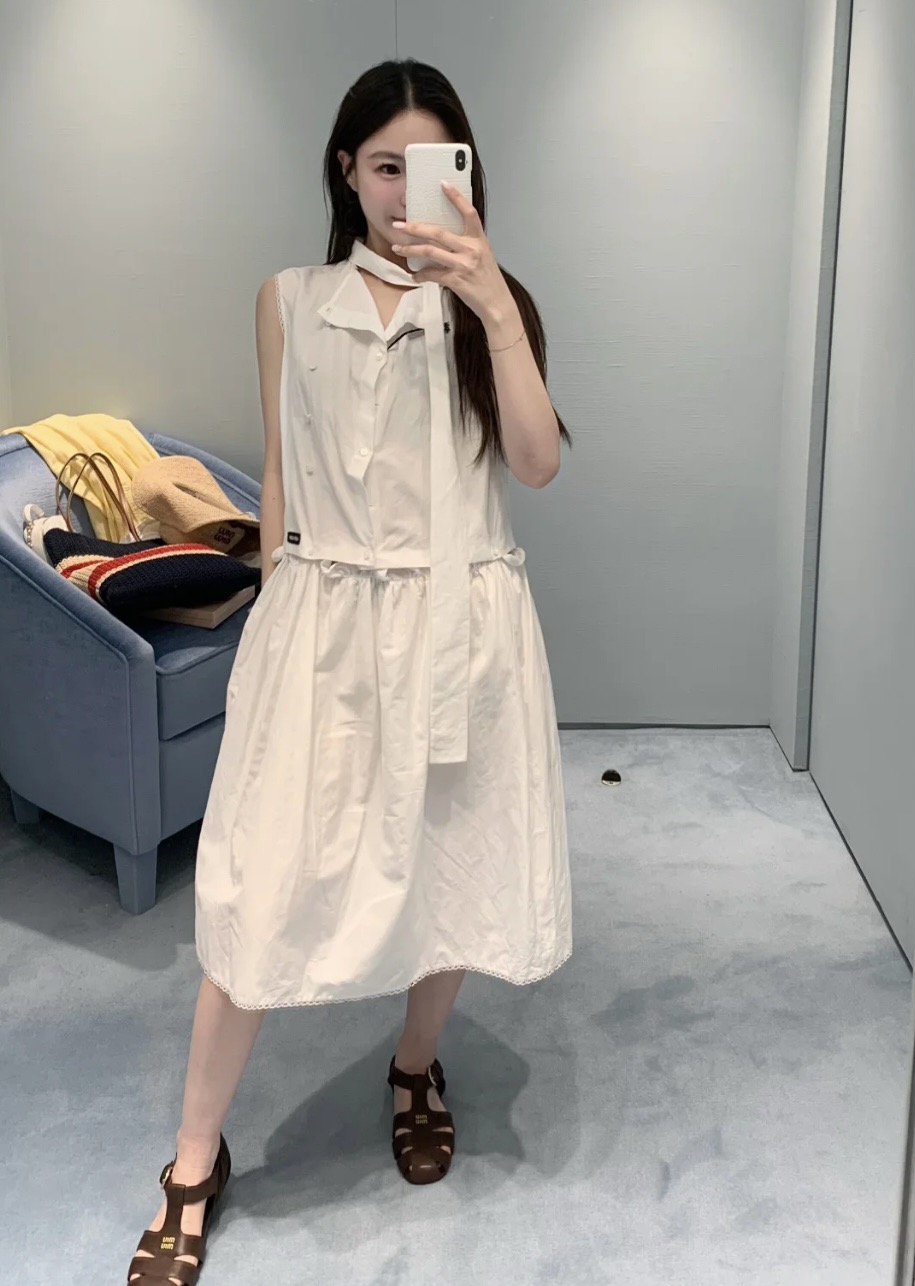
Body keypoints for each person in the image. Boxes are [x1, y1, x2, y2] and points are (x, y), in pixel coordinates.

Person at [127, 57, 574, 1285]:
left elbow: (536, 463)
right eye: (385, 166)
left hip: (461, 626)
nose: (402, 191)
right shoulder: (288, 299)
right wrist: (273, 624)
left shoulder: (493, 305)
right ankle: (193, 1157)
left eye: (429, 167)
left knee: (448, 863)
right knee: (258, 888)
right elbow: (281, 470)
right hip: (323, 626)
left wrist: (490, 302)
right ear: (346, 170)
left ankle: (414, 1065)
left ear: (465, 178)